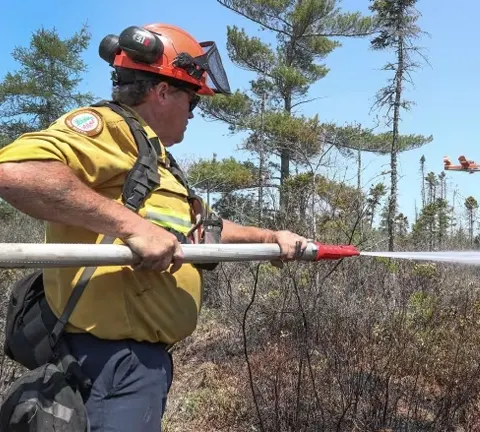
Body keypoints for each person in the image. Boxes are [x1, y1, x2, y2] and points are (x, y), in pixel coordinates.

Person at [0, 23, 307, 431]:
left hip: (137, 364)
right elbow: (17, 172)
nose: (194, 114)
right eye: (192, 101)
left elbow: (203, 230)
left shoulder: (154, 158)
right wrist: (131, 226)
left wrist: (272, 238)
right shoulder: (108, 127)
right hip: (107, 362)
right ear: (163, 92)